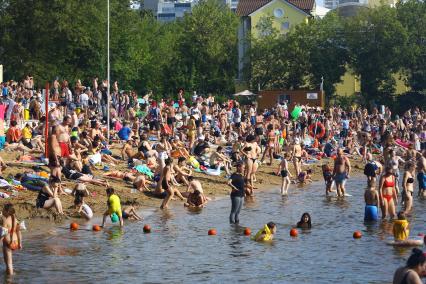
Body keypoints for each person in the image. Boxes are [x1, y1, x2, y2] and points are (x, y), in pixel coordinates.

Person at [1, 203, 22, 275]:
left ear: (7, 211)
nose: (2, 210)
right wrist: (20, 243)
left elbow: (3, 234)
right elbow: (19, 233)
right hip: (15, 242)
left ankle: (10, 279)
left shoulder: (5, 221)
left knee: (8, 263)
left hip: (8, 243)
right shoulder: (16, 220)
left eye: (3, 209)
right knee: (9, 262)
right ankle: (10, 273)